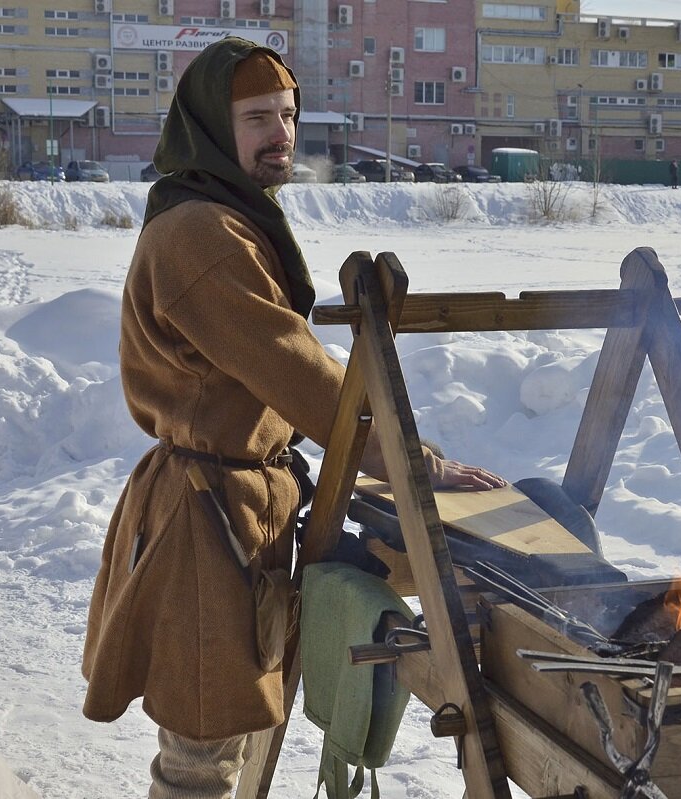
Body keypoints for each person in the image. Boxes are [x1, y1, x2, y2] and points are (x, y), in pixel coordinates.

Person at [80, 38, 505, 799]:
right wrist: (417, 464)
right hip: (205, 528)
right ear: (213, 125)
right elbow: (297, 372)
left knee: (233, 739)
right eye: (256, 118)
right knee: (200, 760)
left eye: (287, 114)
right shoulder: (201, 235)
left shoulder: (229, 217)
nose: (280, 133)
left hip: (240, 512)